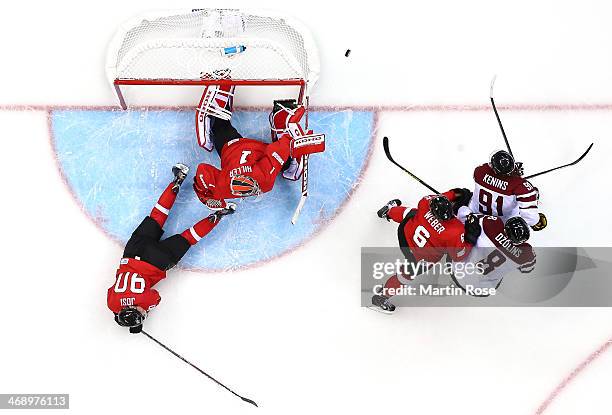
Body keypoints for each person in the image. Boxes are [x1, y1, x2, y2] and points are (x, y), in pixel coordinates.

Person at [107, 163, 235, 333]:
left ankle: (220, 213)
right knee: (158, 215)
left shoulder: (145, 301)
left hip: (157, 261)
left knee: (189, 237)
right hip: (133, 252)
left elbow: (155, 298)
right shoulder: (112, 304)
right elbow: (116, 303)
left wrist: (140, 313)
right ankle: (178, 178)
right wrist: (126, 313)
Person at [193, 85, 325, 210]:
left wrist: (295, 142)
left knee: (284, 161)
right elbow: (202, 170)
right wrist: (206, 194)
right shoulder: (222, 187)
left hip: (248, 149)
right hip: (234, 148)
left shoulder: (265, 182)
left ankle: (283, 123)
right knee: (219, 126)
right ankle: (281, 124)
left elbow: (278, 151)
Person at [370, 189, 481, 313]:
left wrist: (455, 193)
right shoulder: (455, 230)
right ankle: (382, 296)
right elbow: (458, 256)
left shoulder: (425, 203)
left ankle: (388, 211)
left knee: (412, 213)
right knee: (405, 275)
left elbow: (440, 197)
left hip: (405, 236)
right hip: (420, 258)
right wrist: (471, 237)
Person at [457, 150, 547, 231]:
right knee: (533, 192)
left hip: (474, 215)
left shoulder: (480, 171)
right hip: (501, 225)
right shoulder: (520, 185)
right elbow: (530, 217)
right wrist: (536, 222)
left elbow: (491, 174)